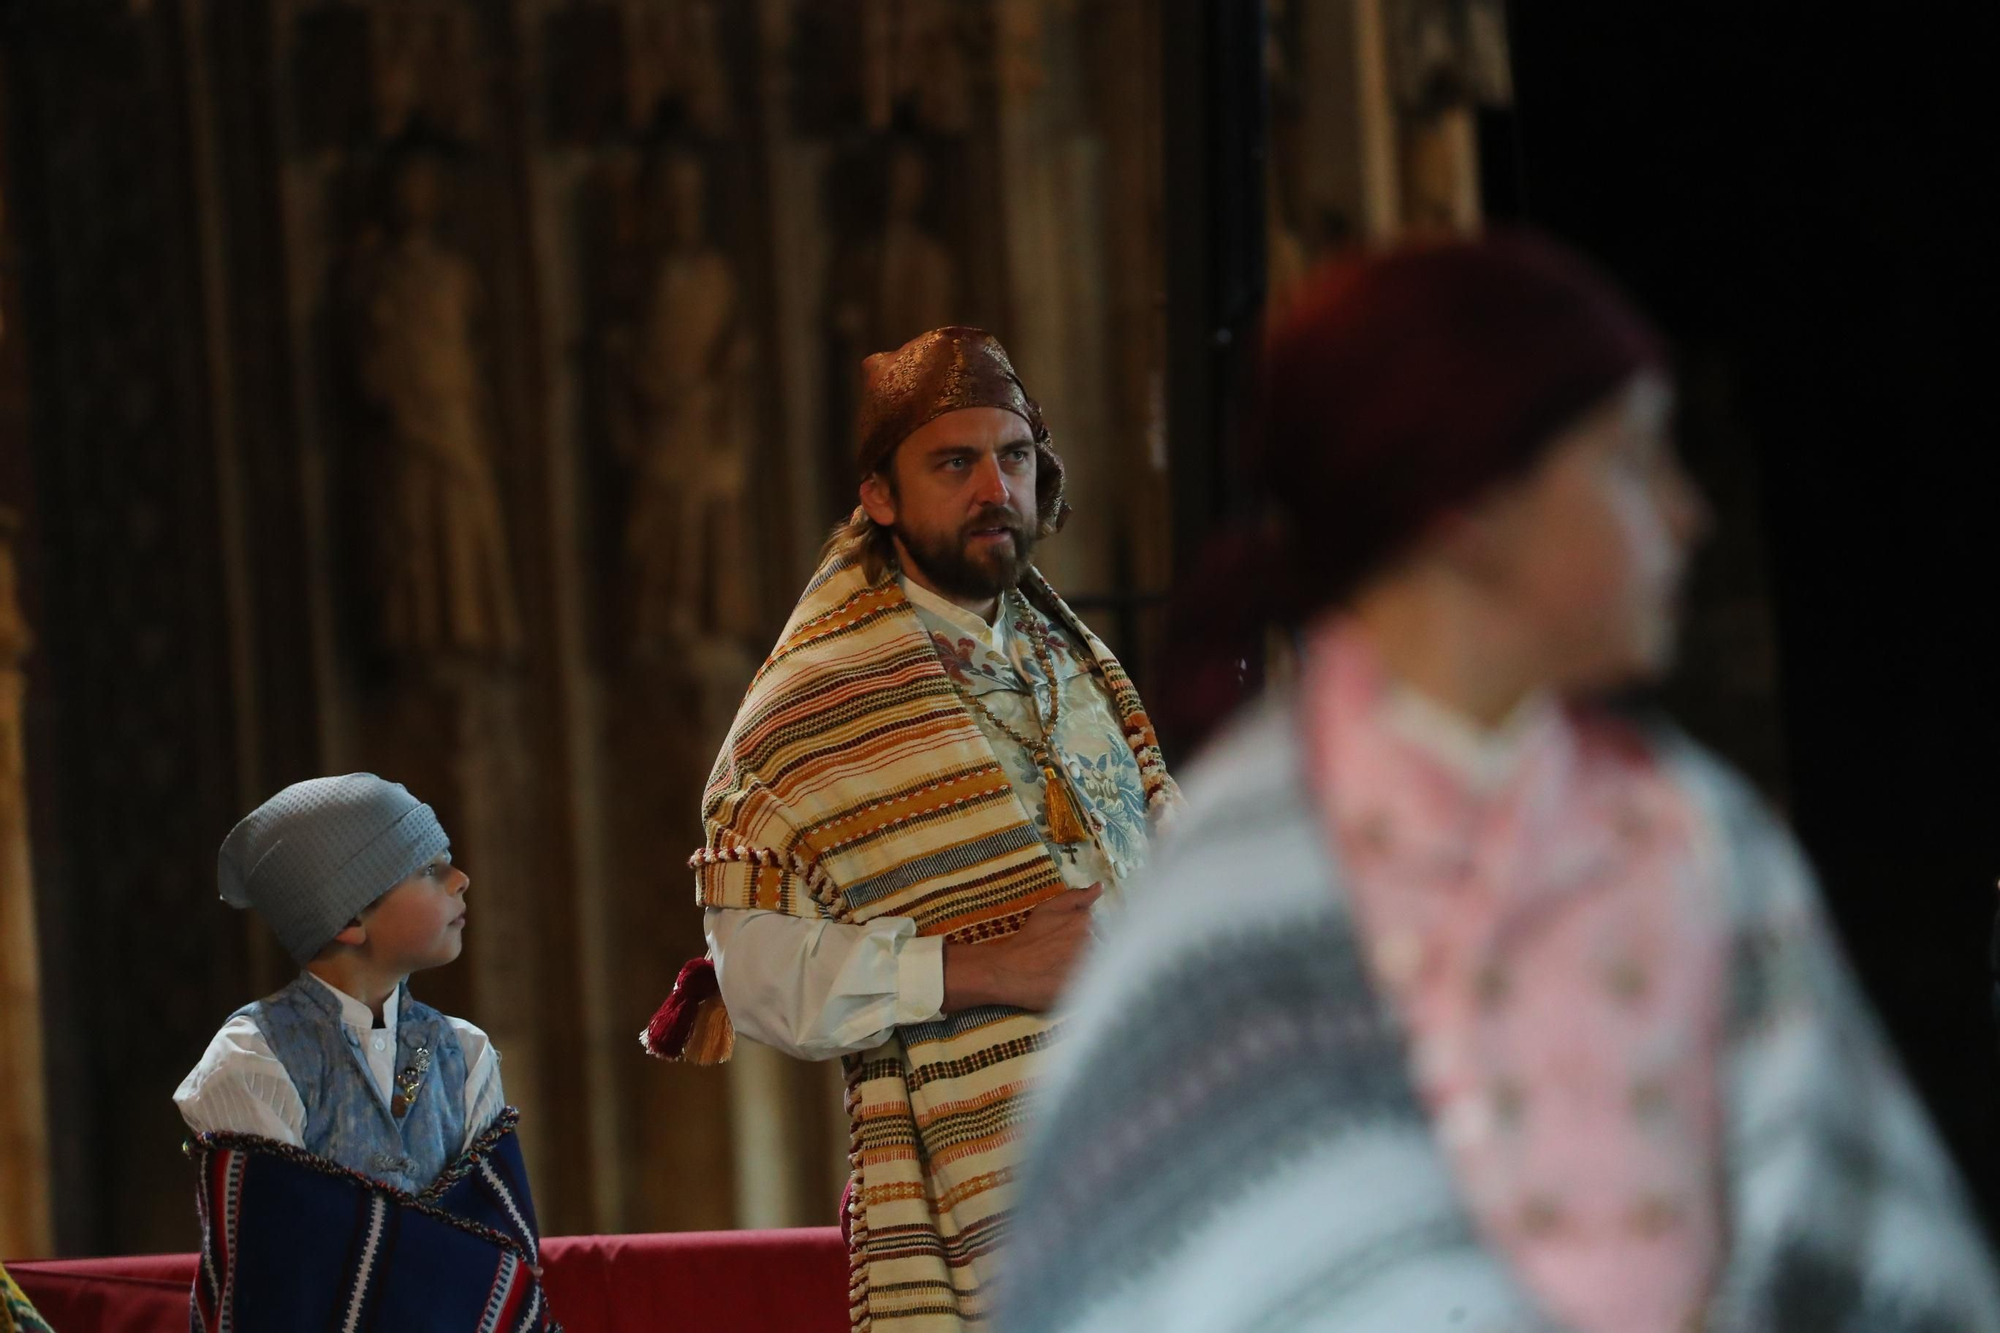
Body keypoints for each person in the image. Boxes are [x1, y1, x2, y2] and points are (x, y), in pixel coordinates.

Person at [997, 234, 2000, 1333]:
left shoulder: (1690, 833)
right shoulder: (1237, 901)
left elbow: (1871, 1263)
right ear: (1469, 507)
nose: (1683, 512)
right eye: (1630, 459)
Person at [643, 327, 1180, 1330]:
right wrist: (982, 968)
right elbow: (755, 978)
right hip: (996, 1192)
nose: (993, 487)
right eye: (953, 462)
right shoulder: (802, 708)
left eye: (1012, 457)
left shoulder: (1077, 660)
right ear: (879, 497)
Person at [175, 775, 552, 1331]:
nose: (461, 880)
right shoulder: (250, 1061)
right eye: (429, 869)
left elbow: (497, 1253)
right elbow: (285, 1276)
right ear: (349, 920)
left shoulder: (466, 1054)